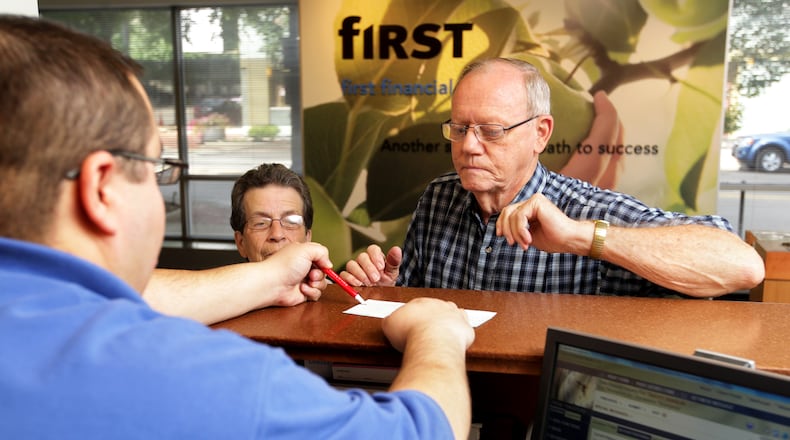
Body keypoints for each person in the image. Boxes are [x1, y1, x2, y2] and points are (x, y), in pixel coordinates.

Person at [0, 15, 474, 439]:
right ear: (102, 187)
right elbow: (421, 430)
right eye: (156, 168)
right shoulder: (204, 376)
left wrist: (269, 277)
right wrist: (438, 336)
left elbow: (137, 294)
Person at [341, 57, 764, 298]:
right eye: (459, 128)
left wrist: (584, 239)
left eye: (491, 131)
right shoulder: (438, 199)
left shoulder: (585, 211)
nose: (468, 146)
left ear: (540, 133)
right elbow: (413, 299)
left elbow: (743, 266)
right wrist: (390, 288)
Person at [144, 163, 323, 324]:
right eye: (260, 223)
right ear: (241, 242)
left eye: (291, 221)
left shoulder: (326, 289)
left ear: (308, 237)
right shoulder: (211, 315)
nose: (277, 234)